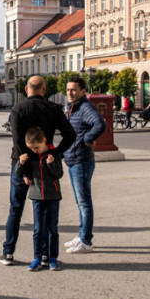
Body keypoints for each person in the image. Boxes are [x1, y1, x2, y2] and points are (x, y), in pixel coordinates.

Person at [0, 75, 76, 266]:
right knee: (45, 213)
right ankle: (45, 256)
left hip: (23, 164)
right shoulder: (53, 108)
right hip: (45, 166)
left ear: (27, 89)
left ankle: (8, 252)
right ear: (44, 90)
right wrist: (56, 153)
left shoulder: (18, 109)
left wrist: (24, 171)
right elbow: (70, 134)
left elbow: (17, 142)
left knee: (16, 208)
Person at [63, 76, 106, 255]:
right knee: (80, 201)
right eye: (68, 90)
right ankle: (82, 235)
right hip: (74, 159)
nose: (70, 93)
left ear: (82, 91)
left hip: (81, 160)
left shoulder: (85, 107)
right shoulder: (74, 107)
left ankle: (86, 241)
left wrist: (87, 139)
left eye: (74, 90)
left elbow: (100, 124)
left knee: (84, 202)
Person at [16, 127, 64, 271]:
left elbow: (59, 174)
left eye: (36, 147)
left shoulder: (53, 153)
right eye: (32, 148)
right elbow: (22, 172)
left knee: (52, 229)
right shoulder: (31, 156)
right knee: (38, 229)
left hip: (53, 195)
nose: (34, 151)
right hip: (37, 195)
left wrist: (51, 164)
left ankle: (53, 257)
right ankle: (38, 257)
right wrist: (21, 163)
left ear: (44, 141)